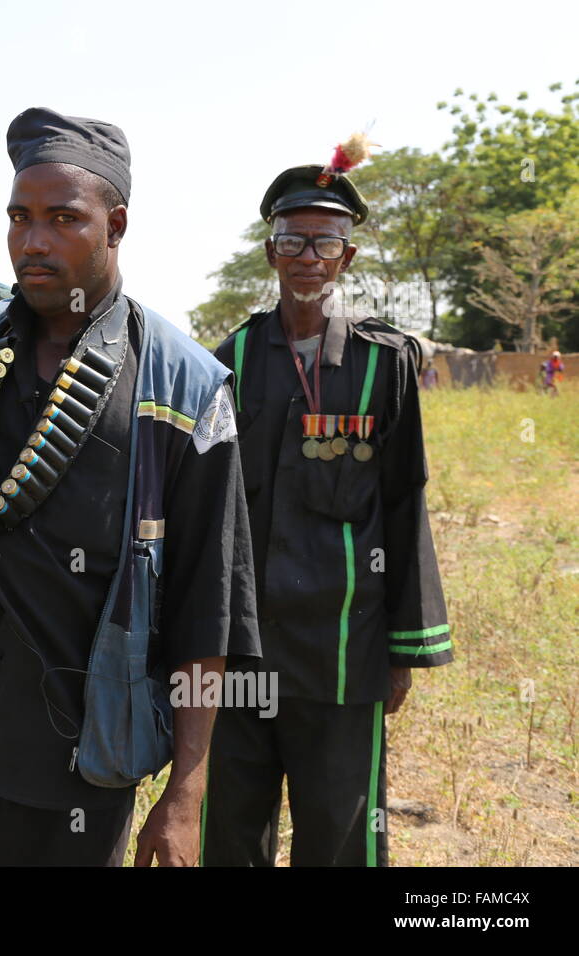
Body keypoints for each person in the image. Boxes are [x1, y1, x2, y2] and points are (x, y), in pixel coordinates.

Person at [0, 107, 260, 866]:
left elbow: (211, 606)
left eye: (62, 218)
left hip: (73, 751)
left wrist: (184, 796)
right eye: (20, 217)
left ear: (116, 225)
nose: (33, 241)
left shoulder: (186, 385)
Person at [205, 163, 453, 866]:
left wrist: (405, 651)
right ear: (270, 253)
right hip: (243, 649)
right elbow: (205, 504)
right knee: (230, 828)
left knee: (341, 834)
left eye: (325, 242)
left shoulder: (386, 364)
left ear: (348, 255)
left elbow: (405, 504)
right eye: (293, 241)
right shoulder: (234, 359)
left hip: (344, 652)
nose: (308, 258)